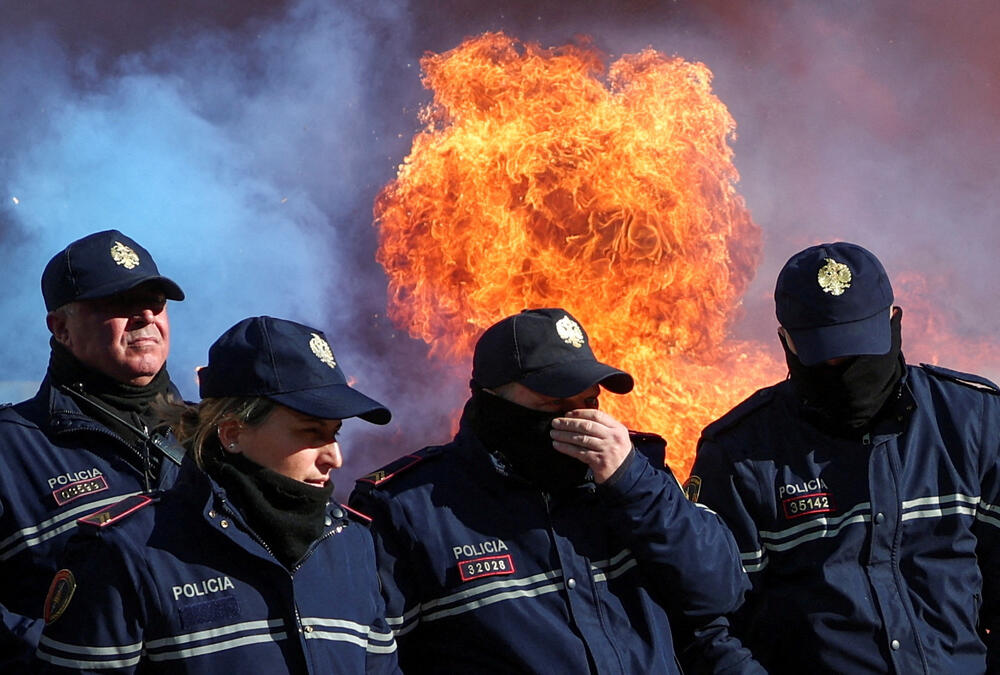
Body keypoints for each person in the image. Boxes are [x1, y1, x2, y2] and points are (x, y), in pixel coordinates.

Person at [350, 307, 760, 674]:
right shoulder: (408, 506)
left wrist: (633, 484)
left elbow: (720, 594)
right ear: (491, 399)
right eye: (552, 406)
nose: (578, 421)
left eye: (588, 402)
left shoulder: (634, 476)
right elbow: (374, 660)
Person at [687, 241, 1000, 674]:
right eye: (827, 355)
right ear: (786, 343)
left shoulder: (973, 419)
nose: (846, 368)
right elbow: (709, 620)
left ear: (894, 322)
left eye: (859, 350)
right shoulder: (739, 454)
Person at [36, 316, 401, 673]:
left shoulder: (352, 544)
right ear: (232, 434)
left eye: (334, 434)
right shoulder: (129, 552)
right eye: (310, 432)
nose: (334, 457)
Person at [0, 230, 188, 667]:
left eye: (155, 302)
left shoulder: (215, 438)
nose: (144, 316)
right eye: (120, 303)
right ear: (61, 328)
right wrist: (69, 656)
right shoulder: (11, 450)